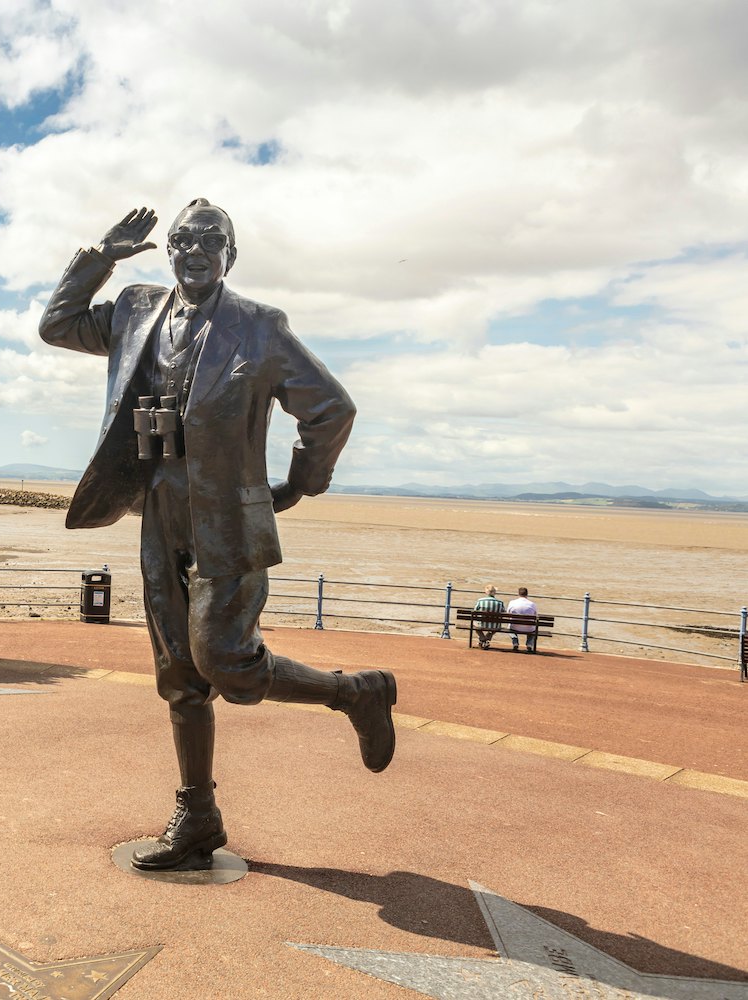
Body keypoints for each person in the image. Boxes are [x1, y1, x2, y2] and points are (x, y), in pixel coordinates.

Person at [39, 200, 396, 872]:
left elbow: (331, 408)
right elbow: (56, 325)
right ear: (167, 250)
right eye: (180, 240)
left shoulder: (259, 328)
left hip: (226, 518)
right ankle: (197, 816)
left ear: (231, 253)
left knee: (224, 660)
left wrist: (296, 485)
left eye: (209, 240)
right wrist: (102, 258)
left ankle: (355, 693)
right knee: (179, 674)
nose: (192, 250)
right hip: (159, 508)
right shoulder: (134, 309)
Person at [506, 587, 539, 653]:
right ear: (527, 594)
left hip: (514, 627)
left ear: (518, 594)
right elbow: (536, 615)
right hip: (529, 628)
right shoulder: (532, 604)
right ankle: (529, 644)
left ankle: (515, 642)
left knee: (509, 627)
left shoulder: (512, 602)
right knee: (534, 628)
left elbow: (508, 614)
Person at [472, 585, 506, 649]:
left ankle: (483, 639)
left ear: (486, 592)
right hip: (495, 626)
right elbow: (504, 613)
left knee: (475, 626)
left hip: (481, 625)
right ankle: (487, 639)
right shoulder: (500, 603)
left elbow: (475, 612)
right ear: (495, 592)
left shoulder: (480, 601)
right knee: (496, 626)